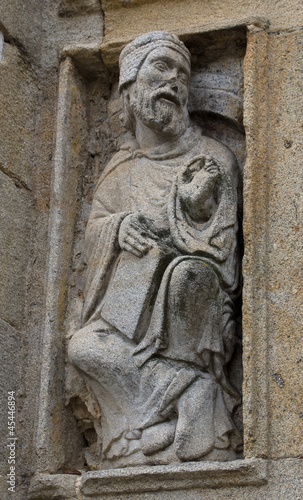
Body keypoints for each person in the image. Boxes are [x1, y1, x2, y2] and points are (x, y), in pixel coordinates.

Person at [68, 31, 242, 468]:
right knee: (83, 348)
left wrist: (185, 213)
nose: (175, 81)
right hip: (128, 314)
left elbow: (221, 250)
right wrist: (119, 228)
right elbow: (94, 234)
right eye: (161, 68)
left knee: (190, 277)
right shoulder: (120, 168)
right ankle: (191, 400)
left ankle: (145, 433)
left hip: (189, 310)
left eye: (182, 74)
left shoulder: (212, 157)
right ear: (129, 88)